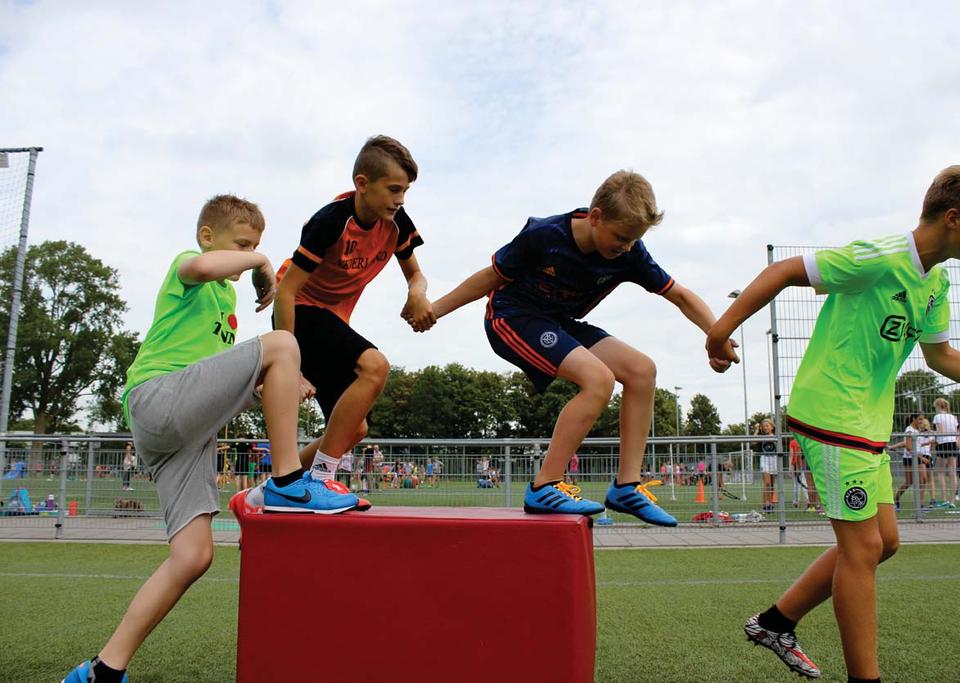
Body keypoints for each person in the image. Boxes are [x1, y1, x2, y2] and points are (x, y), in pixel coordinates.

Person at [706, 165, 960, 682]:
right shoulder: (881, 257)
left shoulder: (936, 280)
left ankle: (774, 623)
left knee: (886, 542)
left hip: (867, 423)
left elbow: (940, 356)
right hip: (830, 414)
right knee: (863, 548)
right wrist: (719, 335)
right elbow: (783, 270)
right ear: (953, 217)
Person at [62, 195, 358, 683]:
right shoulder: (190, 267)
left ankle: (102, 669)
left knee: (194, 555)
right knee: (284, 341)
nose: (250, 253)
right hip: (157, 401)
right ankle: (285, 482)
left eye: (257, 245)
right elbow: (203, 267)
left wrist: (278, 381)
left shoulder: (228, 305)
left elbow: (215, 382)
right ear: (208, 236)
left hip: (183, 433)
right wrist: (262, 262)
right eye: (242, 243)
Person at [427, 171, 729, 526]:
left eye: (634, 240)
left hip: (559, 322)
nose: (626, 248)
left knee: (642, 370)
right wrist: (435, 310)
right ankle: (544, 485)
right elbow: (488, 278)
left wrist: (716, 335)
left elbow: (679, 294)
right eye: (621, 238)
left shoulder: (630, 253)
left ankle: (626, 486)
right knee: (598, 379)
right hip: (512, 317)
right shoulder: (545, 235)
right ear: (595, 216)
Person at [236, 136, 430, 513]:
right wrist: (289, 366)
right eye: (393, 189)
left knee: (353, 429)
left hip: (331, 318)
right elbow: (288, 292)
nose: (400, 199)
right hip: (298, 309)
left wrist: (417, 293)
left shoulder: (397, 224)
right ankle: (321, 479)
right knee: (374, 365)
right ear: (362, 183)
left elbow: (416, 275)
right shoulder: (330, 222)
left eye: (405, 191)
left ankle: (265, 491)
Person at [895, 414, 928, 512]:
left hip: (917, 458)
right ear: (914, 419)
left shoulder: (918, 430)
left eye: (922, 419)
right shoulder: (909, 430)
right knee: (909, 482)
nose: (921, 421)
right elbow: (909, 447)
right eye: (920, 419)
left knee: (923, 480)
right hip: (910, 458)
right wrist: (921, 457)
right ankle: (896, 499)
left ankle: (920, 505)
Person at [931, 398, 959, 507]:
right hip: (953, 443)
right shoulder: (953, 417)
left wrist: (931, 432)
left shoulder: (938, 417)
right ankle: (953, 501)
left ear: (938, 406)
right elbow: (955, 432)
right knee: (953, 472)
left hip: (943, 443)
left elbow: (940, 432)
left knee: (940, 472)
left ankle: (944, 499)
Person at [753, 419, 780, 512]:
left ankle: (770, 503)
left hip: (774, 459)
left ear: (772, 427)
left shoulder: (776, 436)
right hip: (765, 459)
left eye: (767, 425)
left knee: (772, 484)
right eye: (764, 426)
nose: (765, 428)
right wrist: (757, 430)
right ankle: (765, 504)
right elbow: (753, 441)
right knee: (767, 483)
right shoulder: (761, 437)